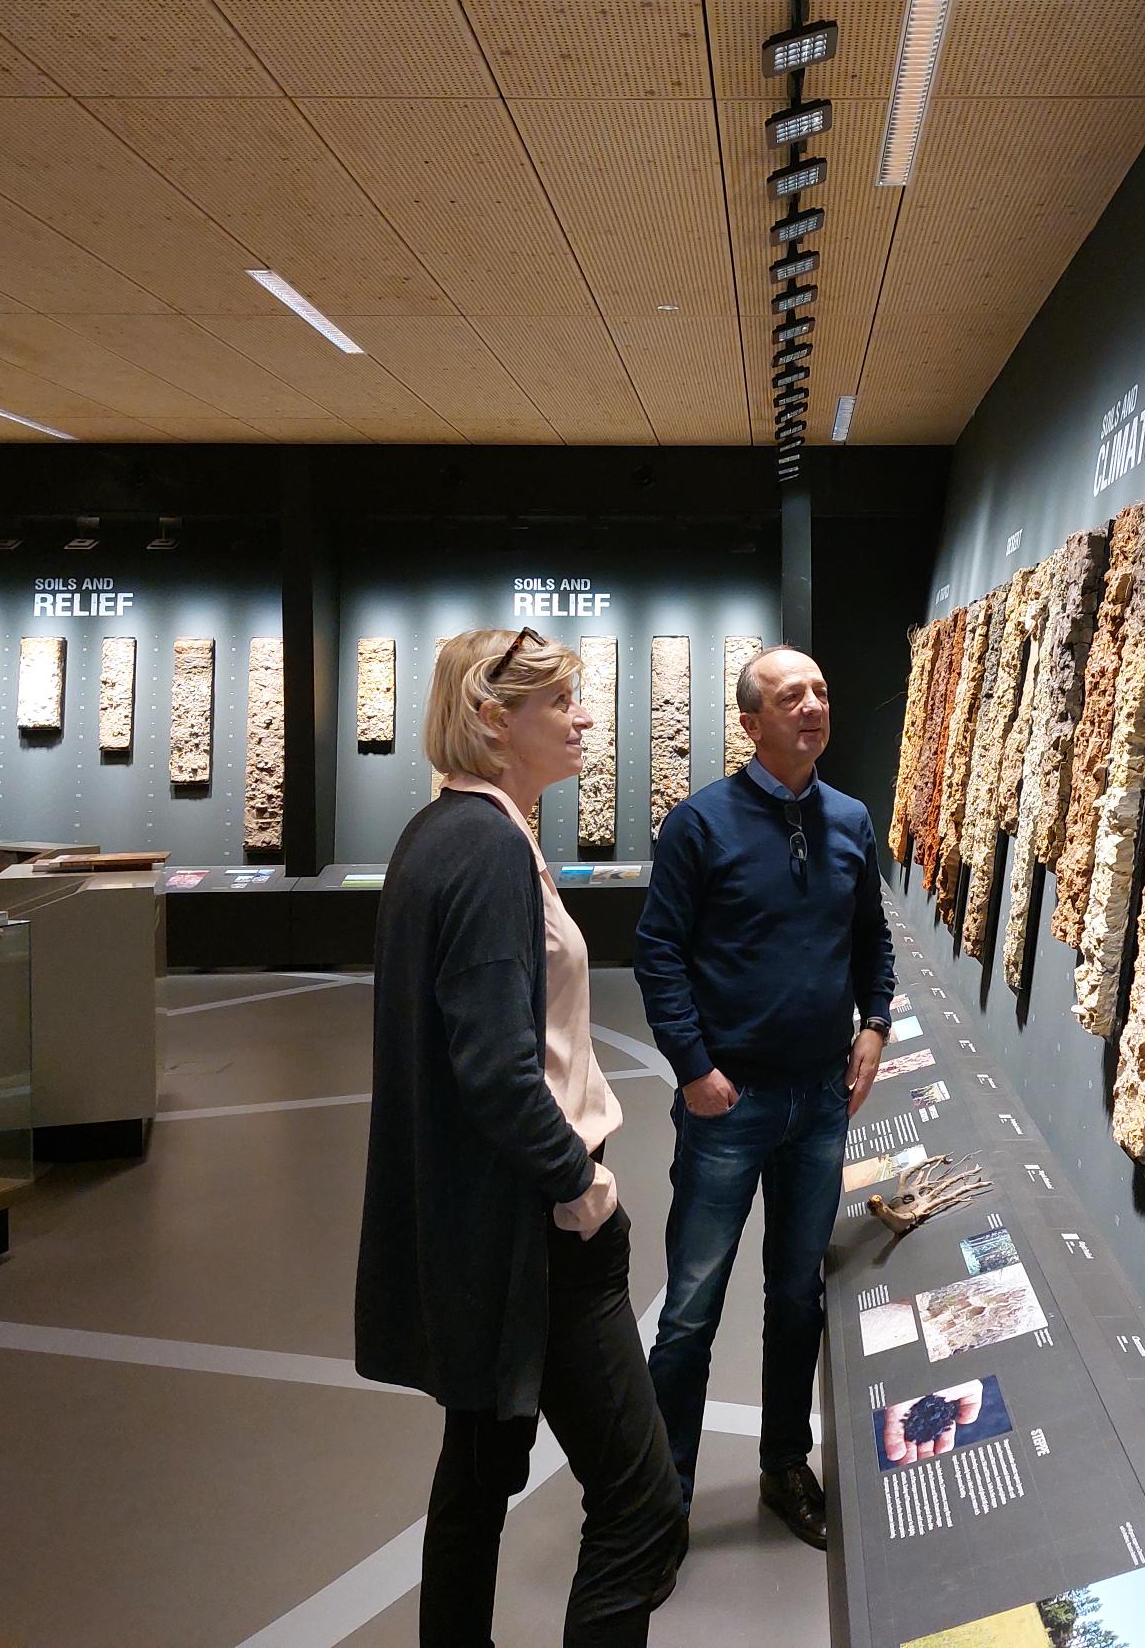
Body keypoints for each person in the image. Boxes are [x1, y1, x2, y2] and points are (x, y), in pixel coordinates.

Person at [356, 627, 681, 1647]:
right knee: (641, 1508)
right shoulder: (489, 848)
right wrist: (580, 1189)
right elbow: (497, 1069)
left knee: (479, 1471)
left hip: (484, 1222)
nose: (583, 718)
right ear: (494, 719)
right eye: (560, 702)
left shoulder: (438, 833)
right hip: (537, 1227)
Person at [635, 643, 896, 1552]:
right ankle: (661, 1500)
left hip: (820, 1102)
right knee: (690, 1309)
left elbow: (871, 938)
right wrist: (692, 1067)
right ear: (752, 723)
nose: (813, 706)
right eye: (792, 697)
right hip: (728, 1105)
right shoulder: (699, 825)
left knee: (796, 1299)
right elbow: (658, 953)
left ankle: (786, 1466)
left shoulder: (849, 820)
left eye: (820, 690)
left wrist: (875, 1025)